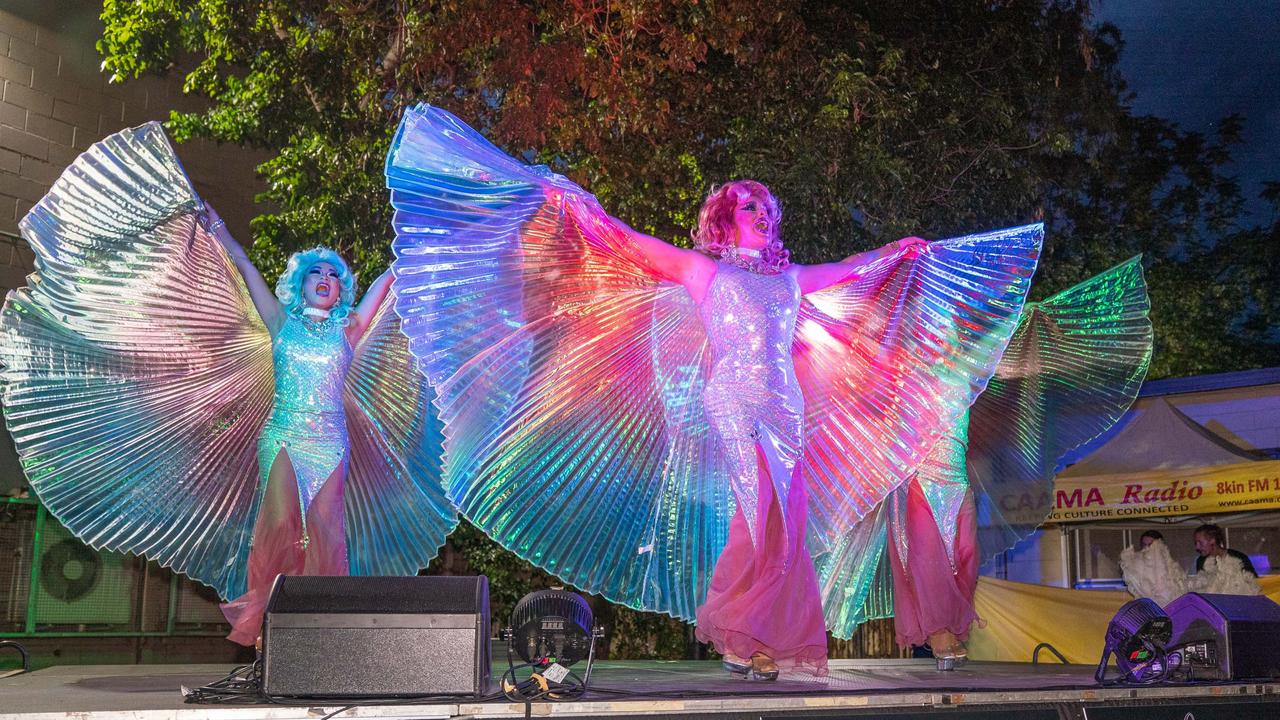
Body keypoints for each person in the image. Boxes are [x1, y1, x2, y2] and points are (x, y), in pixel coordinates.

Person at [385, 105, 1041, 678]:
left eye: (767, 209)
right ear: (727, 218)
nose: (761, 215)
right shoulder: (701, 272)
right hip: (733, 402)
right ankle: (737, 633)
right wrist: (575, 205)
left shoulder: (789, 282)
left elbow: (848, 270)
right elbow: (625, 241)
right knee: (757, 515)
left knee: (783, 527)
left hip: (785, 410)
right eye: (750, 207)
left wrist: (897, 251)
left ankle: (756, 638)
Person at [0, 123, 455, 647]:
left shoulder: (350, 330)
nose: (326, 278)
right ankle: (270, 629)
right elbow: (241, 263)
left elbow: (386, 282)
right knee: (281, 524)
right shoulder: (280, 321)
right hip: (283, 435)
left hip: (331, 441)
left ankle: (326, 627)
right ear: (301, 282)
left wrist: (415, 245)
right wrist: (212, 224)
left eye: (333, 274)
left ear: (341, 287)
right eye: (316, 273)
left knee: (327, 531)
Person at [1194, 524, 1258, 577]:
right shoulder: (1200, 561)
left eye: (1200, 542)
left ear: (1212, 540)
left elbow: (1254, 582)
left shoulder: (1238, 557)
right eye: (1195, 543)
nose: (1197, 547)